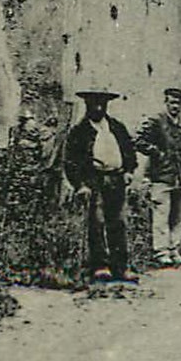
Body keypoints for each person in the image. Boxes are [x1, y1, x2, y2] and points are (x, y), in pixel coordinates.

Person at [63, 90, 140, 284]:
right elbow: (71, 161)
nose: (98, 108)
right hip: (94, 180)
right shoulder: (80, 131)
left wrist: (129, 170)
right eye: (93, 104)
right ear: (87, 106)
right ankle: (100, 266)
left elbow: (129, 151)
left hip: (117, 179)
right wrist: (80, 185)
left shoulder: (116, 127)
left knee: (119, 222)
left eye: (101, 104)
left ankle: (120, 267)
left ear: (106, 106)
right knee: (97, 222)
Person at [136, 87, 181, 268]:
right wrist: (157, 153)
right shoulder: (156, 121)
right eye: (171, 102)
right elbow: (138, 140)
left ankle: (174, 250)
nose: (174, 106)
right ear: (166, 103)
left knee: (179, 215)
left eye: (178, 103)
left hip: (180, 177)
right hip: (161, 176)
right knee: (161, 215)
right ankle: (161, 252)